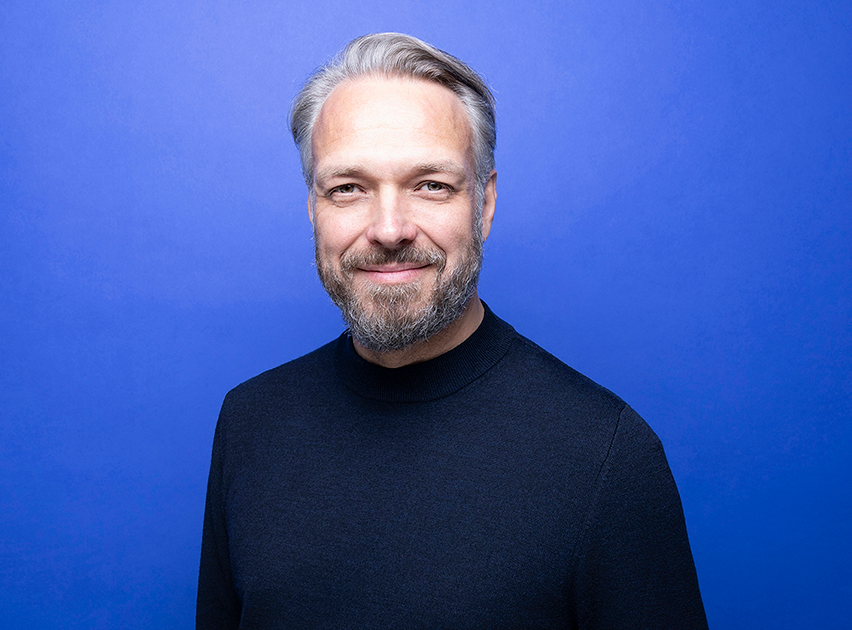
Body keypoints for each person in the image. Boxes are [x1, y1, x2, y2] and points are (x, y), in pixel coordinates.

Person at [197, 33, 708, 629]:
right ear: (314, 207)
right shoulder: (250, 423)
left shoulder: (605, 454)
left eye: (431, 185)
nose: (389, 229)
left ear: (483, 205)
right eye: (348, 188)